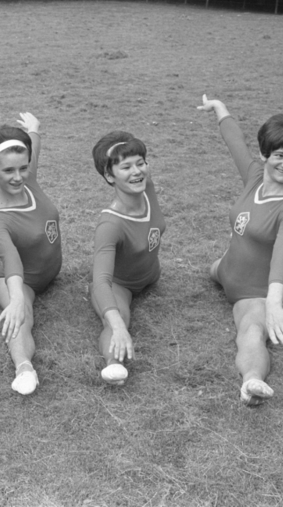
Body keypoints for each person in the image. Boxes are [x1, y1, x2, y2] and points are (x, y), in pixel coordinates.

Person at [197, 95, 283, 406]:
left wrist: (274, 303)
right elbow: (234, 140)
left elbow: (282, 256)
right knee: (209, 269)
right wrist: (220, 109)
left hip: (253, 292)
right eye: (279, 155)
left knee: (250, 332)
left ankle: (252, 381)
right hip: (225, 271)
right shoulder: (254, 178)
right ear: (264, 154)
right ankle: (218, 272)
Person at [0, 113, 62, 395]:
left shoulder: (28, 179)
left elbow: (32, 148)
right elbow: (11, 262)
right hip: (23, 282)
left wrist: (33, 130)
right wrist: (16, 298)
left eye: (23, 168)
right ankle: (24, 367)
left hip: (51, 273)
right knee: (20, 316)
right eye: (8, 171)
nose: (18, 177)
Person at [89, 131, 166, 386]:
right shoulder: (110, 224)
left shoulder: (146, 188)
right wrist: (119, 327)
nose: (137, 172)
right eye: (126, 167)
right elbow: (100, 281)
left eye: (140, 163)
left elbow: (136, 158)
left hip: (150, 275)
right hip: (119, 285)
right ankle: (113, 365)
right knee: (118, 319)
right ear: (109, 176)